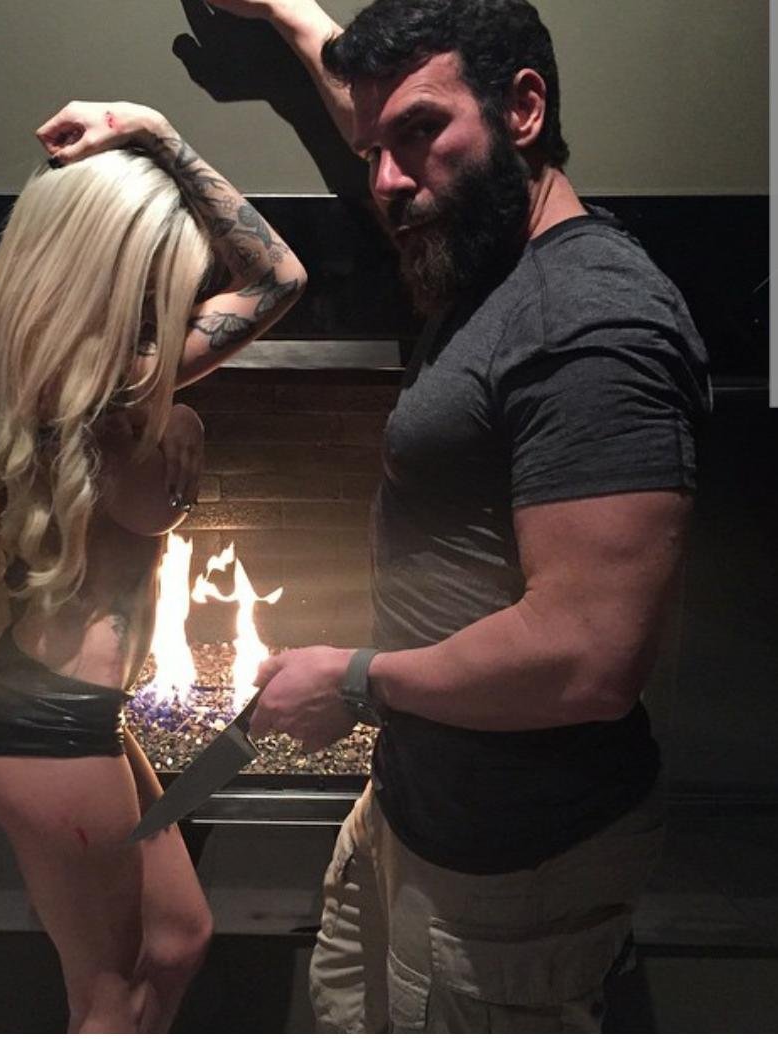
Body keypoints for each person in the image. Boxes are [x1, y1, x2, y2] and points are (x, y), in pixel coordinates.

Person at [207, 0, 710, 1031]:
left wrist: (355, 678)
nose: (388, 181)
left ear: (524, 109)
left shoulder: (589, 320)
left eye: (420, 133)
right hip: (416, 809)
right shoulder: (488, 254)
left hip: (511, 863)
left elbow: (588, 656)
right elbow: (386, 121)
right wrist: (288, 14)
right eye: (372, 150)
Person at [0, 99, 306, 1033]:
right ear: (114, 266)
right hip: (46, 729)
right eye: (159, 270)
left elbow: (268, 282)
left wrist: (179, 409)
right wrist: (158, 135)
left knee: (178, 938)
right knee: (109, 998)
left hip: (66, 711)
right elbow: (278, 275)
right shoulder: (102, 388)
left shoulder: (102, 378)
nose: (176, 291)